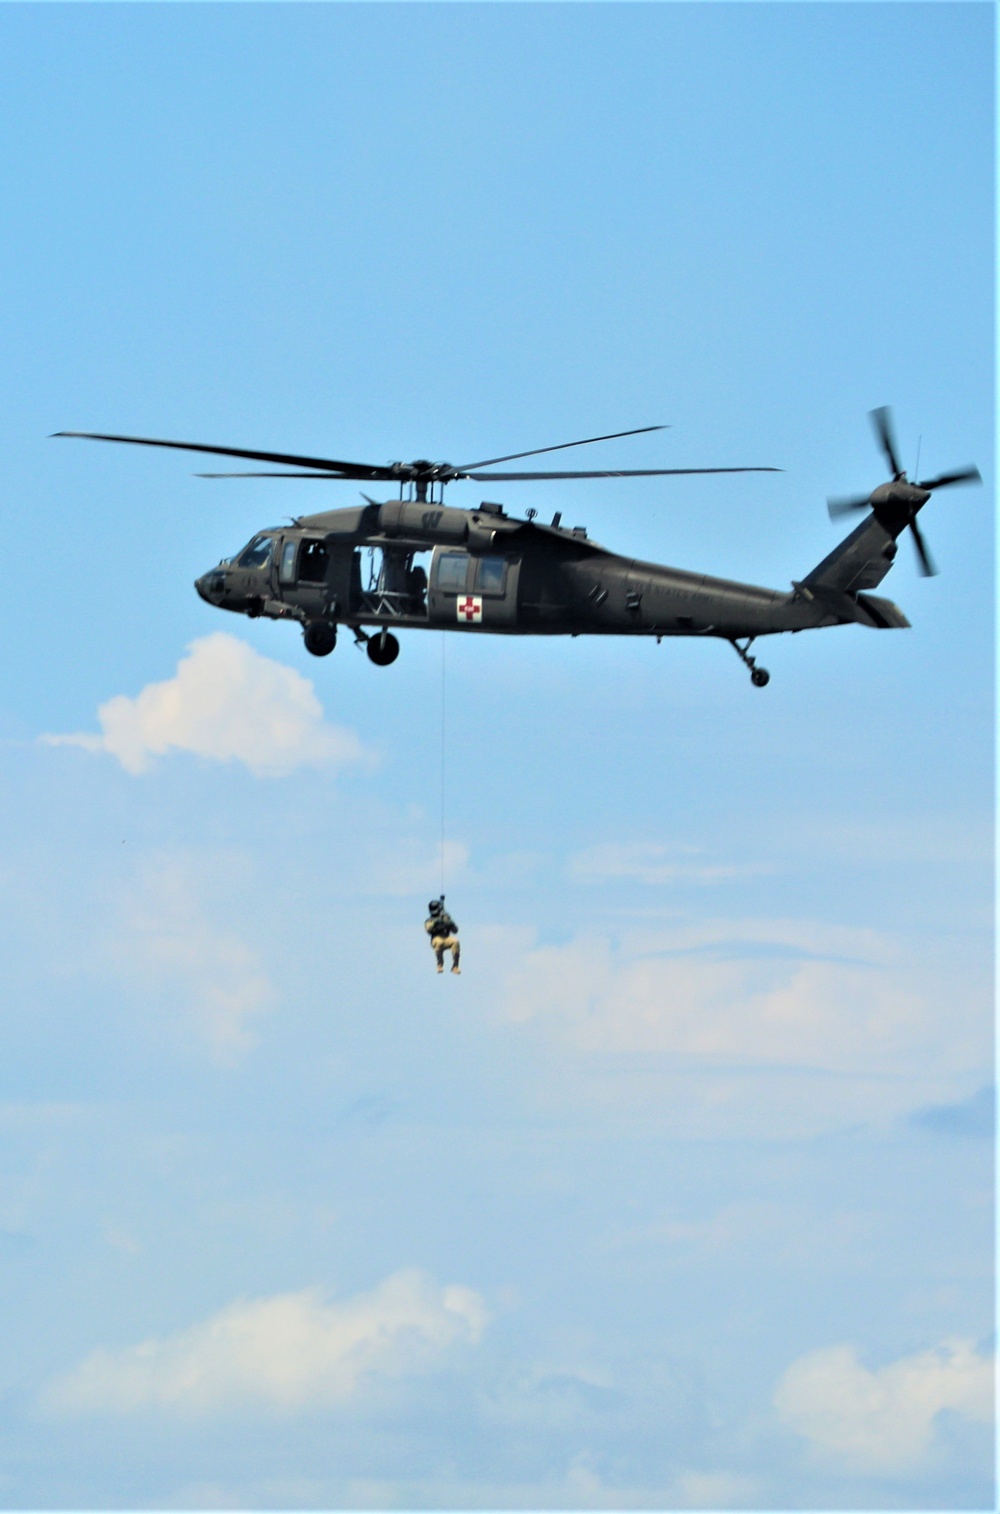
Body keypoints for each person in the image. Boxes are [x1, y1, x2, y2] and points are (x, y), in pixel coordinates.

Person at [425, 897, 460, 974]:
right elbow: (428, 930)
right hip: (436, 939)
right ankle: (440, 965)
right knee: (439, 942)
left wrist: (450, 923)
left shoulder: (445, 918)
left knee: (455, 941)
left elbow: (455, 930)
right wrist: (435, 922)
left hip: (446, 938)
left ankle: (455, 966)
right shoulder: (430, 920)